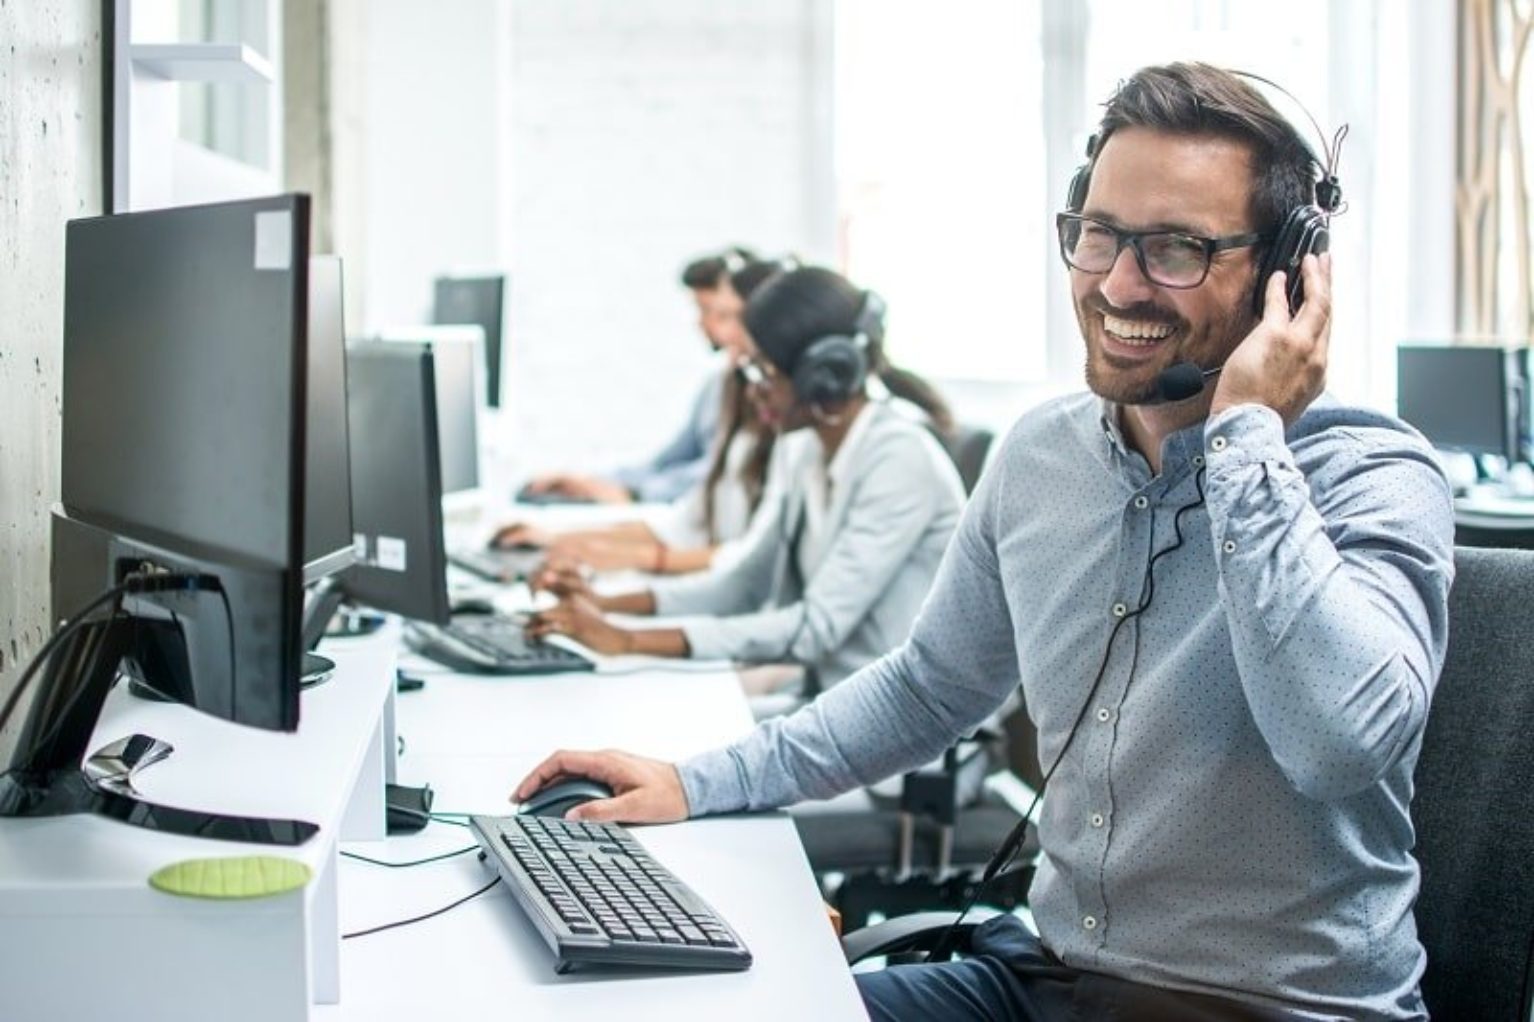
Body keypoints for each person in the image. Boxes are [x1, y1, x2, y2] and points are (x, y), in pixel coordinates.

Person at [513, 62, 1456, 1021]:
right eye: (1099, 236)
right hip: (1043, 981)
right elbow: (929, 686)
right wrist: (694, 780)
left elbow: (1338, 744)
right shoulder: (1042, 455)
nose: (1120, 284)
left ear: (1286, 276)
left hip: (1276, 1011)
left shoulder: (1374, 476)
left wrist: (1249, 437)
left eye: (1176, 248)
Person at [524, 265, 965, 696]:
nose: (752, 390)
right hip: (835, 700)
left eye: (762, 371)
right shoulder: (804, 446)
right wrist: (604, 607)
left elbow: (816, 628)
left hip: (908, 729)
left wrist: (627, 641)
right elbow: (743, 583)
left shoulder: (899, 459)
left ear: (822, 375)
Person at [496, 259, 789, 574]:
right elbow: (681, 502)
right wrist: (565, 532)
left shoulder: (782, 428)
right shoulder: (725, 388)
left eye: (727, 317)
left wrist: (626, 514)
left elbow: (744, 555)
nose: (718, 330)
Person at [518, 246, 756, 505]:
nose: (703, 323)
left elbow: (723, 474)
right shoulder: (717, 385)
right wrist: (588, 482)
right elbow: (667, 461)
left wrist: (635, 494)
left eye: (715, 312)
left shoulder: (765, 394)